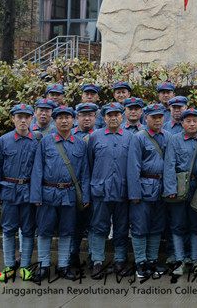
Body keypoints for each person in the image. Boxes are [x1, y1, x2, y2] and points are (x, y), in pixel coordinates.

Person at [30, 105, 90, 283]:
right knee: (44, 231)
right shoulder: (46, 142)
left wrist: (85, 195)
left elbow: (85, 172)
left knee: (66, 231)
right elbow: (37, 170)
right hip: (48, 193)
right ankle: (43, 266)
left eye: (68, 117)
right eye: (60, 118)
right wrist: (36, 196)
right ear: (54, 121)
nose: (64, 121)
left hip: (70, 194)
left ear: (74, 120)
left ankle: (64, 266)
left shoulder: (80, 144)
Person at [0, 104, 39, 282]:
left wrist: (37, 195)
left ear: (31, 119)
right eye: (19, 116)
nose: (23, 120)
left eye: (27, 117)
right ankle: (9, 266)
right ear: (13, 118)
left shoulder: (36, 141)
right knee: (8, 229)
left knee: (28, 230)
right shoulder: (4, 141)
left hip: (28, 191)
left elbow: (38, 171)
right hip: (9, 191)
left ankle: (25, 266)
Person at [88, 102, 132, 279]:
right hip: (101, 190)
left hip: (122, 191)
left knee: (121, 227)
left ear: (122, 117)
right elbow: (89, 164)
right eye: (109, 115)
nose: (113, 118)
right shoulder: (95, 137)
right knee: (99, 226)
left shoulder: (130, 137)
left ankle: (120, 260)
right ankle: (97, 261)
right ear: (104, 118)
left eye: (117, 114)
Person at [127, 103, 168, 279]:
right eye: (154, 117)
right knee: (140, 227)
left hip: (161, 188)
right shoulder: (139, 138)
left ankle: (152, 260)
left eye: (160, 117)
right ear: (146, 118)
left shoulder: (167, 136)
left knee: (156, 227)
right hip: (143, 188)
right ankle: (141, 261)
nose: (157, 120)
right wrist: (134, 193)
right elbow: (133, 166)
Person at [164, 108, 197, 275]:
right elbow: (169, 165)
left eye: (195, 120)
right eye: (188, 121)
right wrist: (170, 188)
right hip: (179, 187)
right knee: (178, 225)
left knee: (196, 226)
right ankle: (179, 259)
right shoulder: (174, 140)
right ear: (182, 123)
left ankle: (195, 260)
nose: (192, 124)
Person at [70, 103, 99, 269]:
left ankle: (93, 258)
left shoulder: (100, 135)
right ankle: (73, 255)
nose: (87, 118)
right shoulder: (69, 135)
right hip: (74, 187)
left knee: (94, 224)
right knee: (74, 225)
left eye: (90, 115)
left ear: (95, 118)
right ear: (77, 117)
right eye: (83, 115)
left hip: (95, 187)